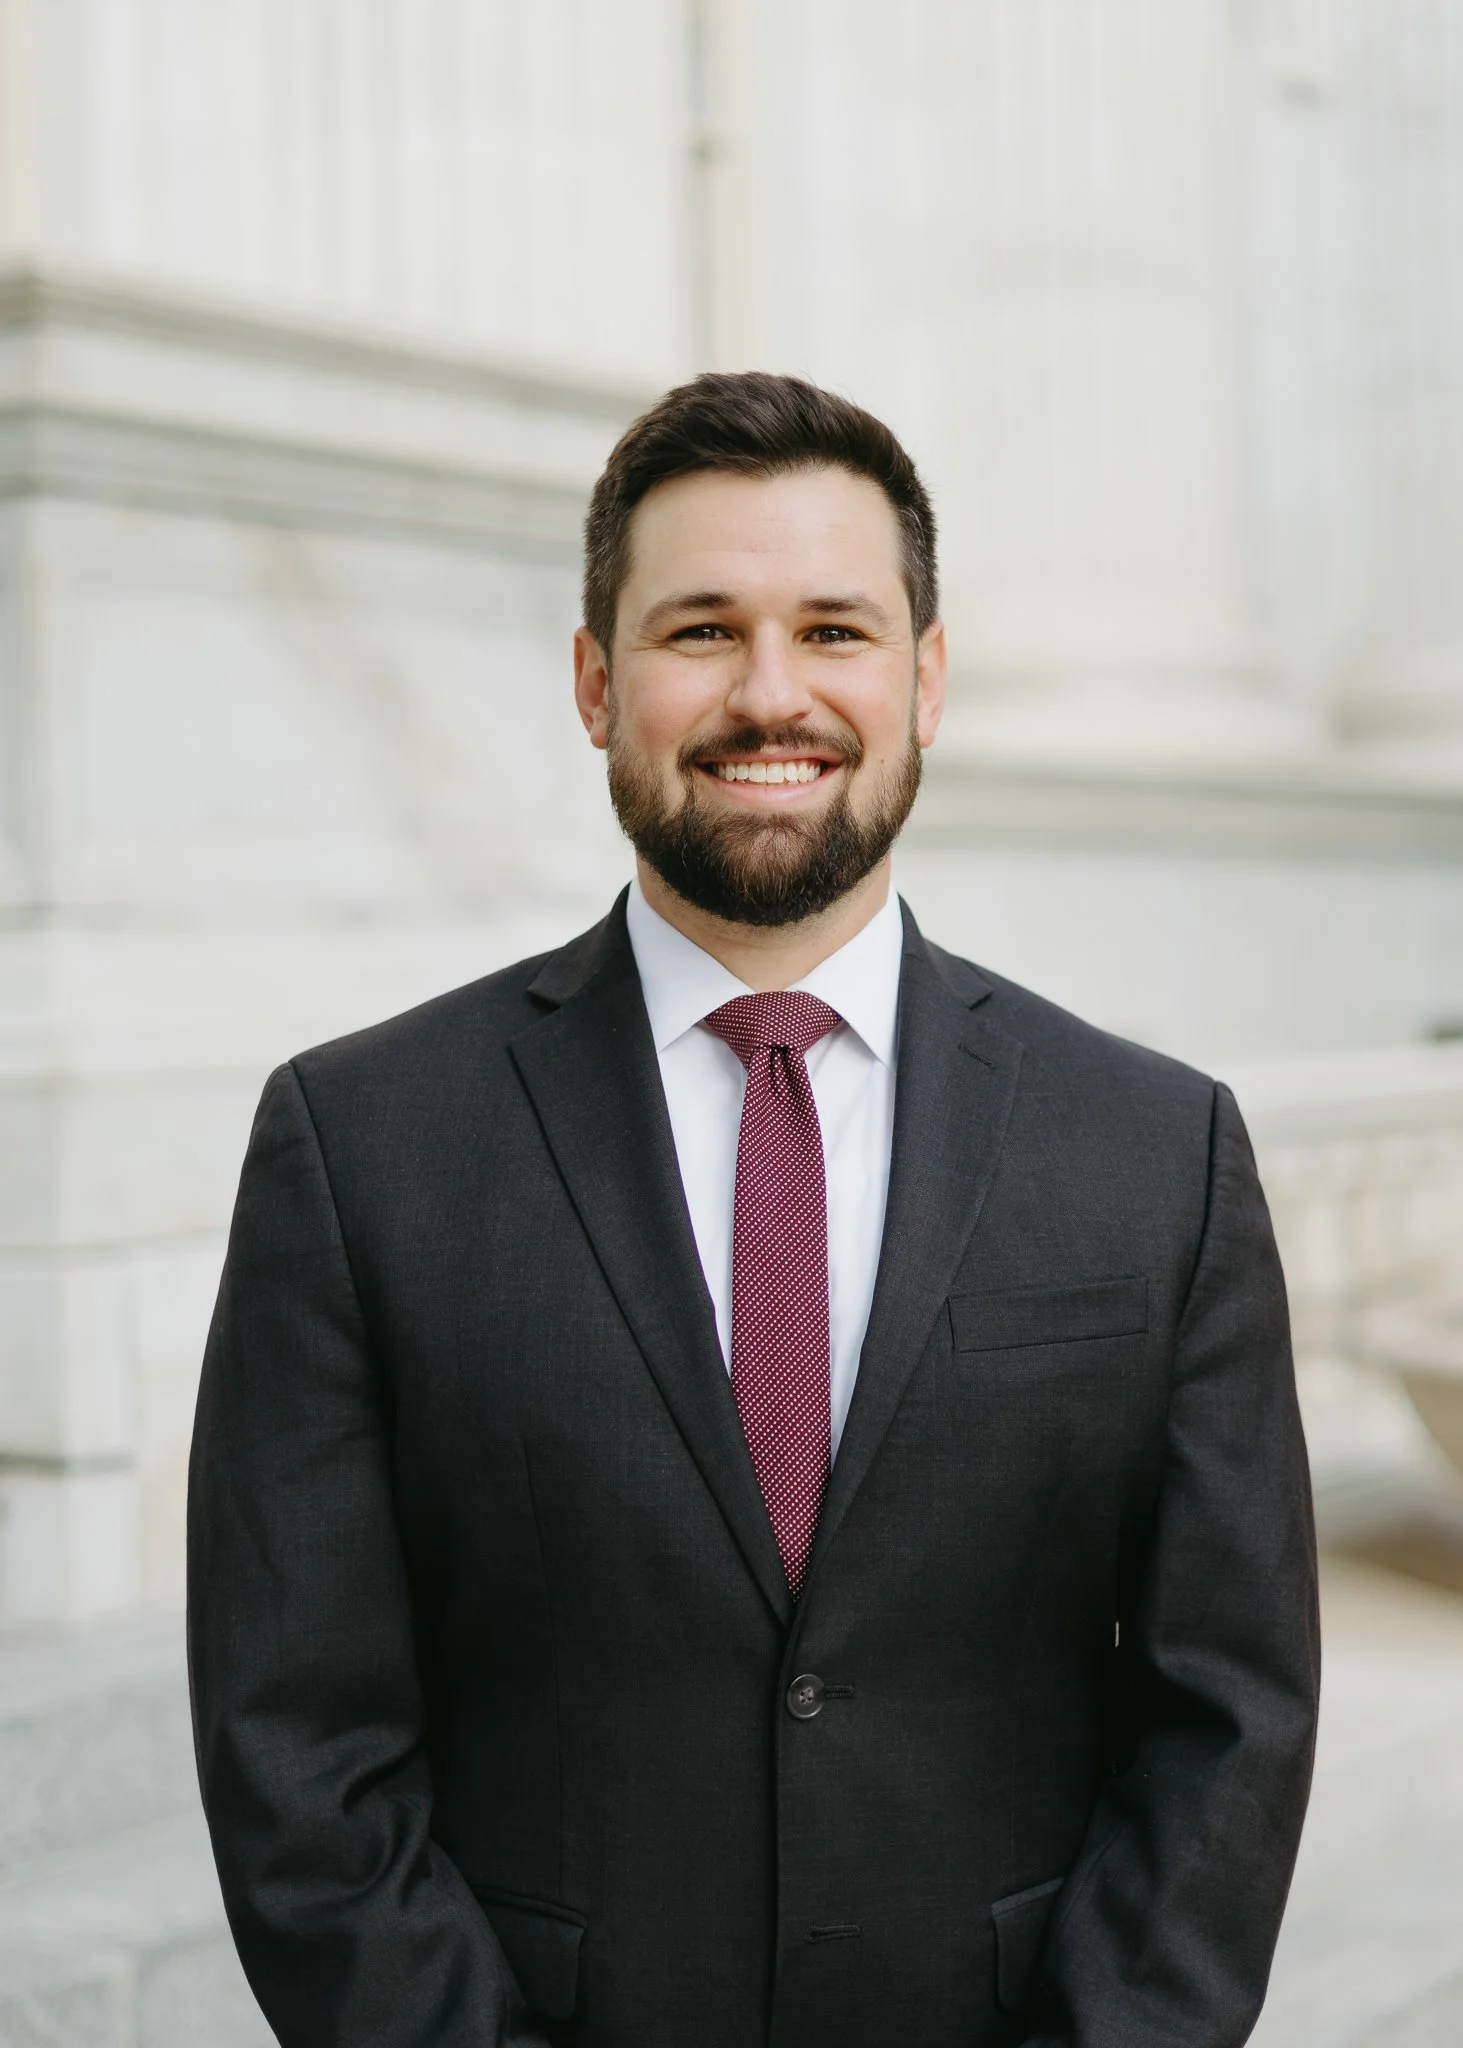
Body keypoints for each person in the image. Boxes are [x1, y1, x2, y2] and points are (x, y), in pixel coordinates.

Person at [188, 371, 1320, 2048]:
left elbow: (1227, 1717)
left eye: (835, 631)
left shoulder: (1160, 1150)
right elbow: (300, 1744)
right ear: (593, 682)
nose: (769, 695)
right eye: (699, 630)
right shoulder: (357, 1144)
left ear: (927, 679)